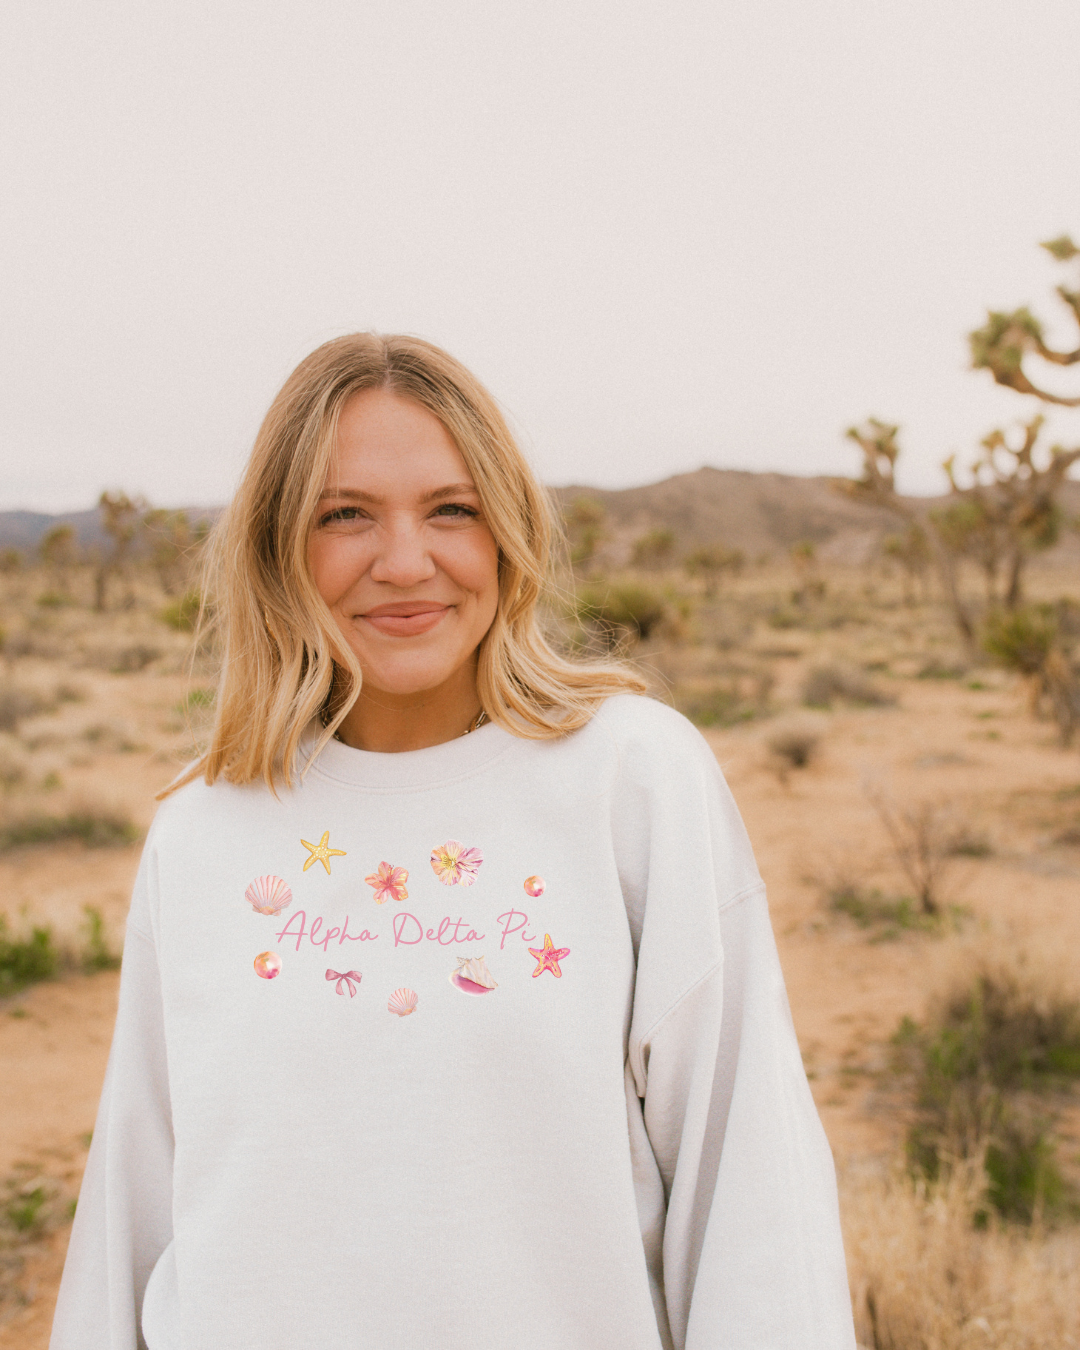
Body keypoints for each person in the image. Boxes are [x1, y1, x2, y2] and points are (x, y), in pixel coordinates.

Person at [51, 333, 856, 1350]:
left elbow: (751, 1188)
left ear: (506, 532)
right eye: (344, 515)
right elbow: (136, 1197)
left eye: (451, 510)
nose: (403, 562)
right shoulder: (206, 826)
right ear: (275, 545)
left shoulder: (632, 781)